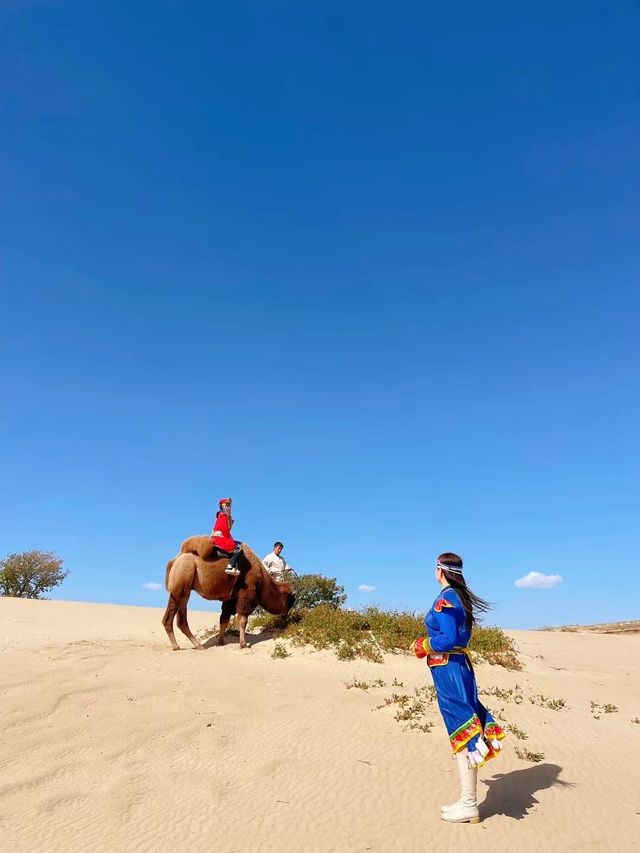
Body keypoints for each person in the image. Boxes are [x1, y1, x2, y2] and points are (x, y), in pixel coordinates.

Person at [414, 552, 506, 824]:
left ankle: (469, 803)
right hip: (458, 667)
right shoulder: (459, 597)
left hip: (449, 669)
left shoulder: (446, 598)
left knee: (462, 731)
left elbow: (449, 637)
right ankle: (466, 800)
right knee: (464, 728)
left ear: (439, 570)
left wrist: (423, 645)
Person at [211, 498, 243, 576]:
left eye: (229, 505)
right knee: (239, 549)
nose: (228, 507)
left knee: (238, 543)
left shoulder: (220, 516)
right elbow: (224, 531)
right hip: (220, 539)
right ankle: (230, 566)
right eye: (226, 505)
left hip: (216, 538)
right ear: (222, 506)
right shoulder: (223, 516)